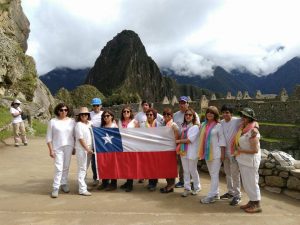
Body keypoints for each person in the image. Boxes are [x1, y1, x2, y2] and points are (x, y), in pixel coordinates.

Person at [235, 108, 262, 213]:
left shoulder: (253, 132)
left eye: (245, 116)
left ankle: (257, 204)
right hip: (243, 160)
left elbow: (255, 150)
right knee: (246, 183)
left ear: (250, 118)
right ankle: (251, 201)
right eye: (243, 116)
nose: (243, 118)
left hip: (250, 161)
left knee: (252, 182)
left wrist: (241, 150)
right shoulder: (243, 128)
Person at [46, 103, 75, 198]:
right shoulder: (53, 121)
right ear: (58, 111)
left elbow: (74, 135)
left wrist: (74, 147)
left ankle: (64, 183)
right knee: (59, 167)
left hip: (69, 146)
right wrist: (51, 150)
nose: (64, 112)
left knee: (66, 166)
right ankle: (55, 187)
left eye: (66, 110)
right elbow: (49, 137)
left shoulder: (72, 121)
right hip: (57, 147)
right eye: (61, 110)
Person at [199, 106, 226, 204]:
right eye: (208, 112)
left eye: (212, 113)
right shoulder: (203, 125)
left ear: (215, 115)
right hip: (207, 153)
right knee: (212, 174)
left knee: (214, 174)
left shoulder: (218, 126)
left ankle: (211, 195)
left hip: (216, 154)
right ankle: (216, 193)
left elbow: (222, 140)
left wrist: (222, 154)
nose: (209, 114)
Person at [173, 96, 200, 188]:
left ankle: (194, 183)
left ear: (188, 104)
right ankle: (182, 181)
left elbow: (197, 128)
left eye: (184, 103)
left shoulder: (194, 114)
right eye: (180, 103)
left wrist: (179, 140)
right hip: (180, 142)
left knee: (191, 167)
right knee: (182, 163)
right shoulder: (176, 114)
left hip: (188, 143)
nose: (182, 105)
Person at [219, 104, 242, 206]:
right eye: (223, 112)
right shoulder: (222, 122)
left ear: (231, 113)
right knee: (228, 173)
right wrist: (222, 153)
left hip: (234, 152)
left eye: (227, 112)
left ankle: (237, 195)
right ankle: (230, 192)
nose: (225, 114)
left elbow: (252, 121)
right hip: (225, 151)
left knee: (235, 174)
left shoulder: (236, 120)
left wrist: (255, 128)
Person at [97, 110, 119, 191]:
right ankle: (104, 183)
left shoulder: (114, 126)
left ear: (112, 116)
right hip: (103, 149)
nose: (106, 117)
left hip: (113, 149)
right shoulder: (102, 127)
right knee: (104, 165)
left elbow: (117, 139)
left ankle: (113, 184)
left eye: (107, 116)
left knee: (113, 166)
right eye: (104, 116)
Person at [160, 107, 179, 194]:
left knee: (170, 168)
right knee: (165, 168)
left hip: (171, 149)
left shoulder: (173, 125)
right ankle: (168, 184)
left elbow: (176, 137)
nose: (166, 116)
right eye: (164, 114)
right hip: (164, 149)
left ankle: (171, 185)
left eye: (168, 114)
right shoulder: (163, 125)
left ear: (171, 116)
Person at [75, 107, 93, 196]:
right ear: (79, 116)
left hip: (88, 149)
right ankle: (82, 189)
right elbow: (80, 139)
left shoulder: (89, 124)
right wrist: (87, 149)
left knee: (85, 168)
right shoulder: (78, 125)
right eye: (82, 114)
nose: (84, 116)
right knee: (82, 169)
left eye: (86, 114)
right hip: (82, 149)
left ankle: (83, 185)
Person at [118, 106, 138, 192]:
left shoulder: (135, 122)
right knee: (125, 165)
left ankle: (130, 184)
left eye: (128, 111)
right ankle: (127, 181)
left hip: (131, 146)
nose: (126, 113)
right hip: (122, 146)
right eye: (124, 111)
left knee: (131, 165)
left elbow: (138, 133)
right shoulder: (119, 122)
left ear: (130, 113)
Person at [144, 108, 161, 191]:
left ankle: (153, 183)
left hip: (156, 148)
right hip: (147, 147)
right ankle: (151, 182)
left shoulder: (159, 124)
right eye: (147, 115)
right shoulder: (143, 125)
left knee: (154, 166)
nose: (149, 116)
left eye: (151, 114)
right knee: (148, 166)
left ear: (154, 116)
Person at [89, 97, 103, 186]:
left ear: (101, 106)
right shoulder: (89, 114)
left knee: (104, 159)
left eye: (97, 105)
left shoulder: (104, 114)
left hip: (103, 140)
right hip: (92, 140)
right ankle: (95, 178)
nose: (96, 107)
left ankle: (105, 178)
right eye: (94, 105)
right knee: (94, 161)